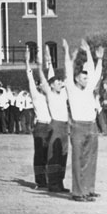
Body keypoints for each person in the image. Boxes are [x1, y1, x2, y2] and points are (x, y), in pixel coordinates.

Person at [62, 39, 103, 202]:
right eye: (83, 77)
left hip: (92, 126)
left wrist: (94, 56)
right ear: (76, 78)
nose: (87, 79)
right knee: (78, 160)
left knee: (91, 159)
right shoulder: (71, 89)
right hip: (78, 126)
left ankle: (89, 189)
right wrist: (66, 51)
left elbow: (95, 73)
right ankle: (78, 192)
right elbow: (67, 69)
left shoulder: (88, 88)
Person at [36, 45, 70, 194]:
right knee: (54, 155)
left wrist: (65, 53)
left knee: (63, 155)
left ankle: (59, 182)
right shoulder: (50, 94)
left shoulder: (63, 94)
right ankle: (53, 183)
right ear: (51, 85)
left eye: (61, 82)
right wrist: (39, 65)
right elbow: (45, 79)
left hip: (65, 126)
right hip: (55, 125)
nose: (61, 84)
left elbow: (66, 76)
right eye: (57, 82)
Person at [25, 50, 52, 190]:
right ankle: (41, 181)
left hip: (51, 126)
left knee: (51, 154)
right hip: (41, 126)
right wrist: (27, 62)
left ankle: (51, 180)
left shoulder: (50, 95)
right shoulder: (36, 96)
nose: (43, 85)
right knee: (40, 154)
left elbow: (51, 76)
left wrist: (49, 61)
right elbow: (29, 78)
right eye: (41, 83)